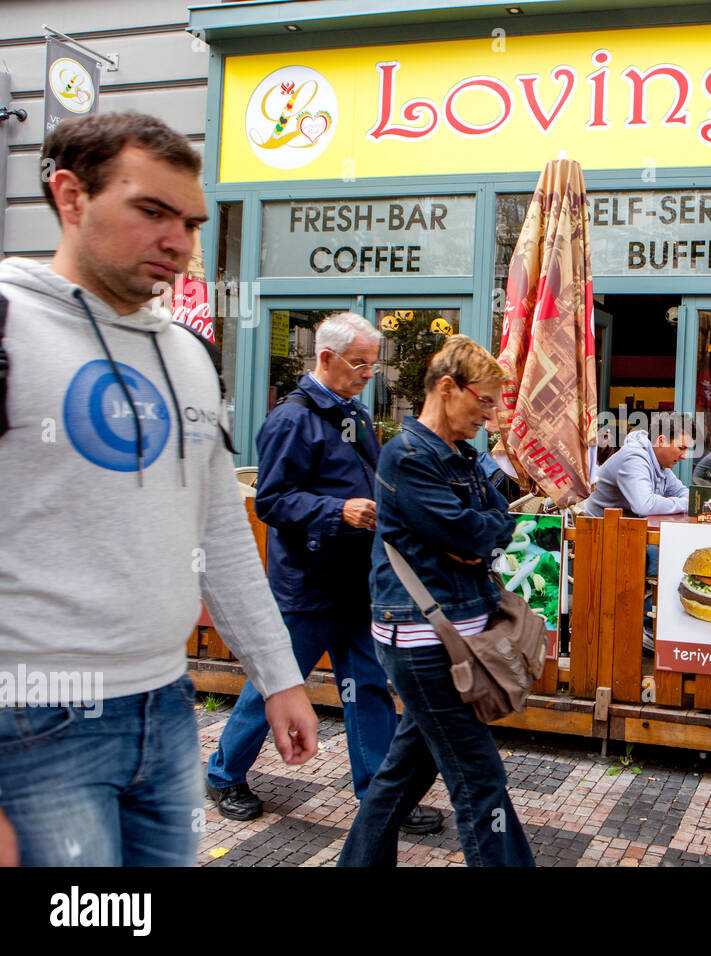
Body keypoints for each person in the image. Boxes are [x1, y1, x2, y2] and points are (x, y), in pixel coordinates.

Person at [0, 112, 316, 866]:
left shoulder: (187, 356)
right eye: (152, 211)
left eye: (191, 221)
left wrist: (278, 676)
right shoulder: (9, 326)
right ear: (70, 196)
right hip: (28, 722)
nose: (179, 241)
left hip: (167, 708)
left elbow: (220, 532)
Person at [205, 313, 441, 835]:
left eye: (373, 367)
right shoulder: (290, 420)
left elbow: (370, 480)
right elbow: (271, 501)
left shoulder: (350, 412)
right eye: (360, 364)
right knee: (275, 683)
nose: (367, 375)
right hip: (308, 586)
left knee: (370, 687)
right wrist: (340, 512)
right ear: (326, 358)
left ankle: (380, 799)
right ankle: (223, 774)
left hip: (358, 582)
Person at [338, 335, 533, 866]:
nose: (489, 416)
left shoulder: (462, 455)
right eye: (484, 401)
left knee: (403, 774)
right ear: (448, 388)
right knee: (479, 779)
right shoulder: (406, 456)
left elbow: (501, 520)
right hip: (424, 642)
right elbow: (471, 535)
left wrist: (480, 535)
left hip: (453, 637)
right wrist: (477, 537)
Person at [584, 413, 692, 650]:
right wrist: (681, 504)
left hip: (628, 533)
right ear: (661, 440)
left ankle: (652, 625)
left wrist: (680, 502)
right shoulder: (635, 458)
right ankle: (647, 627)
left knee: (674, 554)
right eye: (681, 448)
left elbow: (685, 493)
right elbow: (644, 505)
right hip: (600, 536)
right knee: (671, 560)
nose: (685, 456)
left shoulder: (659, 462)